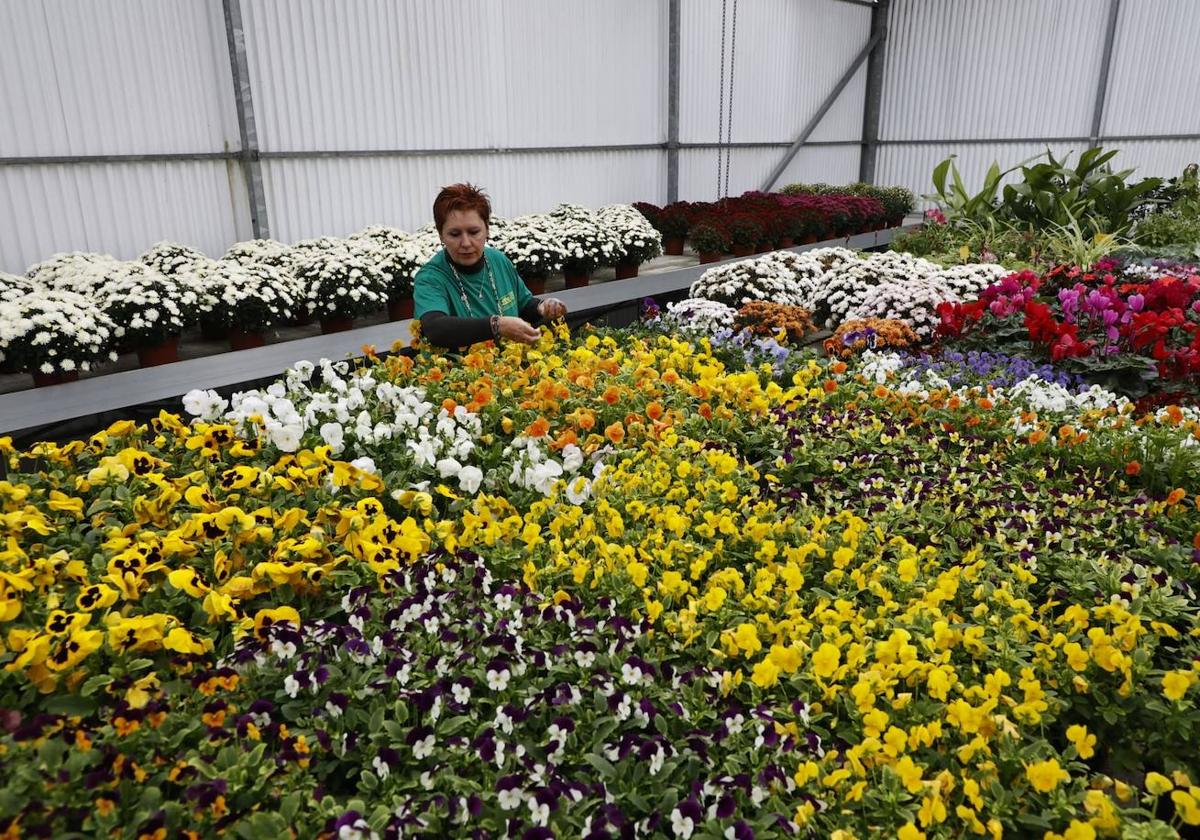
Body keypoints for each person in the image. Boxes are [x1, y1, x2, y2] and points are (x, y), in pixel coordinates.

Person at [413, 183, 567, 352]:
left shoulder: (498, 260)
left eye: (474, 232)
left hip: (508, 369)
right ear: (441, 234)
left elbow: (523, 305)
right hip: (455, 373)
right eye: (454, 234)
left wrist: (542, 307)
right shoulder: (431, 278)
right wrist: (497, 325)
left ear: (487, 229)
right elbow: (436, 329)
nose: (465, 243)